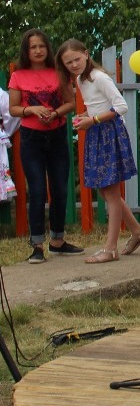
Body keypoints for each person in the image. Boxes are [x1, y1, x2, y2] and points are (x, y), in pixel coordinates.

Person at [54, 40, 140, 264]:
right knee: (105, 190)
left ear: (86, 54)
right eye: (68, 62)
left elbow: (121, 106)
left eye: (77, 59)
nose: (74, 64)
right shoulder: (81, 79)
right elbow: (98, 105)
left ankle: (110, 249)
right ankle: (138, 232)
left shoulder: (99, 77)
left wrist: (94, 119)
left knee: (111, 192)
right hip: (96, 133)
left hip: (110, 134)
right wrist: (86, 116)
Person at [7, 29, 83, 264]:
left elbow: (70, 103)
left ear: (47, 49)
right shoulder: (18, 76)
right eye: (33, 47)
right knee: (38, 190)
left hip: (57, 136)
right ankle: (37, 245)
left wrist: (55, 113)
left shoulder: (59, 72)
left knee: (60, 189)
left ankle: (58, 241)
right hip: (31, 139)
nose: (38, 50)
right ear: (26, 51)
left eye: (41, 46)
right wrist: (32, 109)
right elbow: (13, 109)